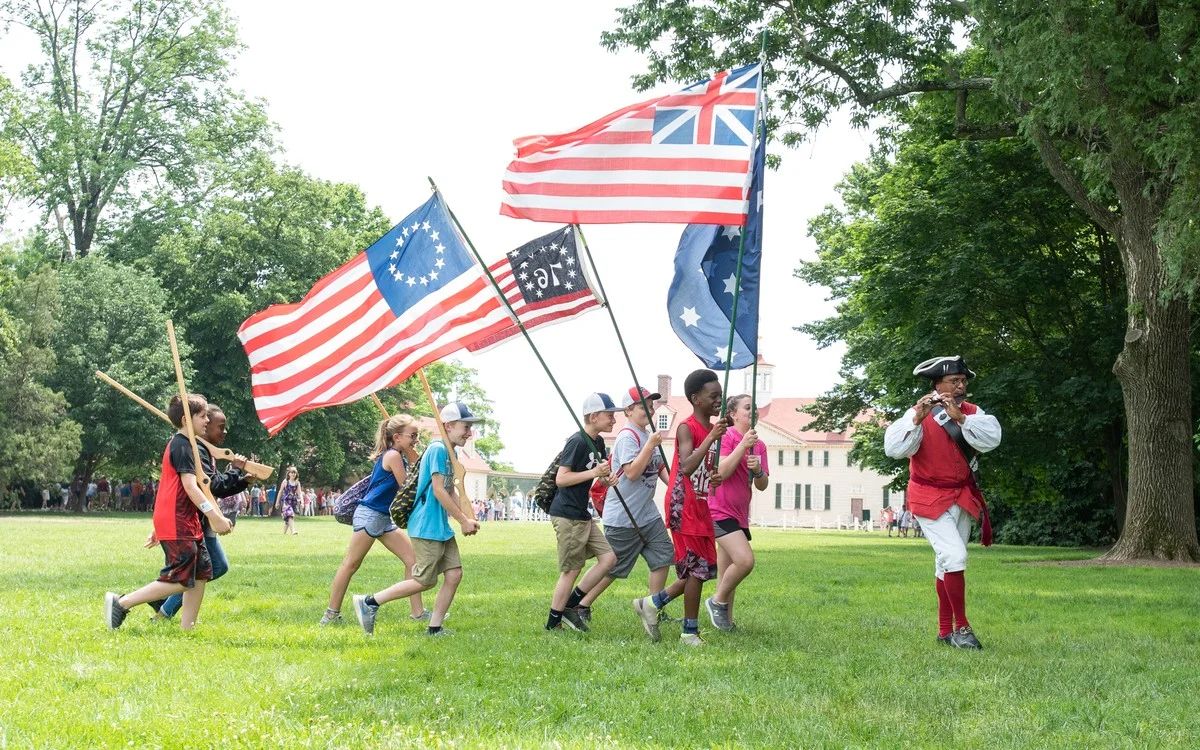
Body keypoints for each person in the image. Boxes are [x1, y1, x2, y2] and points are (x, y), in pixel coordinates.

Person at [884, 355, 1002, 650]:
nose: (961, 386)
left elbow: (992, 440)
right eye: (954, 381)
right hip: (927, 496)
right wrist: (916, 417)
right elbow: (894, 448)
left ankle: (943, 632)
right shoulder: (920, 414)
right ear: (938, 384)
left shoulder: (973, 413)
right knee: (955, 556)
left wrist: (961, 419)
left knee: (946, 562)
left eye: (963, 381)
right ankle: (962, 628)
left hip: (961, 495)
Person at [103, 393, 233, 631]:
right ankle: (121, 603)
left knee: (202, 572)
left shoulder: (189, 444)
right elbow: (190, 486)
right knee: (182, 578)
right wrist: (214, 515)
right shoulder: (182, 446)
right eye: (202, 416)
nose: (207, 420)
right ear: (186, 419)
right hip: (177, 520)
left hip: (186, 520)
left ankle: (188, 629)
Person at [353, 402, 481, 636]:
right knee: (425, 580)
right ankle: (369, 602)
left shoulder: (449, 452)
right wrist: (462, 521)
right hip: (426, 525)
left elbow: (450, 489)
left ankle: (434, 628)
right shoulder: (437, 449)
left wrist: (467, 515)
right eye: (466, 426)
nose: (469, 432)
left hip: (439, 526)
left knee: (454, 574)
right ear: (449, 426)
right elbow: (438, 490)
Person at [574, 386, 679, 642]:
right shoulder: (628, 437)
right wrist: (651, 445)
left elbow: (659, 468)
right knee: (613, 568)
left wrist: (677, 489)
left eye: (652, 406)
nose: (650, 410)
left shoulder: (647, 436)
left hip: (647, 514)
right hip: (623, 516)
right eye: (644, 406)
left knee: (663, 557)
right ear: (629, 410)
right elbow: (631, 472)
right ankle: (581, 605)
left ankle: (654, 606)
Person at [321, 414, 429, 626]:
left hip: (383, 519)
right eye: (412, 436)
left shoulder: (398, 454)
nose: (416, 440)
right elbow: (406, 487)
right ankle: (330, 615)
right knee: (351, 564)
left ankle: (417, 613)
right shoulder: (393, 456)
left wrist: (413, 455)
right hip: (370, 515)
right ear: (397, 437)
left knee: (412, 561)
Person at [152, 402, 250, 621]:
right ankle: (158, 602)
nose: (221, 431)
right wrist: (235, 471)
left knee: (203, 570)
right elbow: (208, 486)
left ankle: (168, 607)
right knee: (202, 571)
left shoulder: (200, 450)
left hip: (198, 520)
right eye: (218, 425)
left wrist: (242, 480)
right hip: (194, 520)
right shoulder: (190, 449)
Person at [543, 393, 621, 633]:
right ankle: (553, 623)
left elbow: (591, 478)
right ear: (594, 416)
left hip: (581, 513)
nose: (613, 420)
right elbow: (562, 478)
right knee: (571, 570)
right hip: (566, 514)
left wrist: (605, 480)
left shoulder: (597, 443)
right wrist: (595, 472)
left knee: (609, 559)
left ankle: (570, 605)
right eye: (609, 415)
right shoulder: (577, 441)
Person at [662, 369, 727, 646]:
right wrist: (711, 439)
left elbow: (702, 468)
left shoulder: (711, 430)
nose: (718, 401)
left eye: (720, 396)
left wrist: (714, 476)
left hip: (700, 503)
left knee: (701, 569)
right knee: (696, 570)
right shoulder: (687, 427)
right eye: (713, 396)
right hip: (682, 504)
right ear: (695, 398)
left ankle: (651, 604)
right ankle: (689, 632)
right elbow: (687, 466)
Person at [705, 393, 770, 632]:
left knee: (727, 570)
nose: (753, 411)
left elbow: (762, 484)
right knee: (744, 561)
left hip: (740, 513)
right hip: (719, 510)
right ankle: (716, 601)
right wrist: (743, 446)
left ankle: (726, 622)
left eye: (755, 407)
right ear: (732, 414)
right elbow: (721, 471)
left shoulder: (760, 445)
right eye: (747, 407)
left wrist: (759, 470)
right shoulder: (728, 437)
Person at [277, 466, 301, 534]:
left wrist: (301, 502)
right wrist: (277, 502)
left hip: (293, 502)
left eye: (295, 473)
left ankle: (283, 534)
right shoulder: (285, 482)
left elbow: (299, 493)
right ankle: (293, 531)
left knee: (288, 518)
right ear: (289, 474)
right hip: (286, 502)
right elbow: (280, 492)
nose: (293, 474)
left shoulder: (297, 483)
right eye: (292, 472)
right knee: (290, 515)